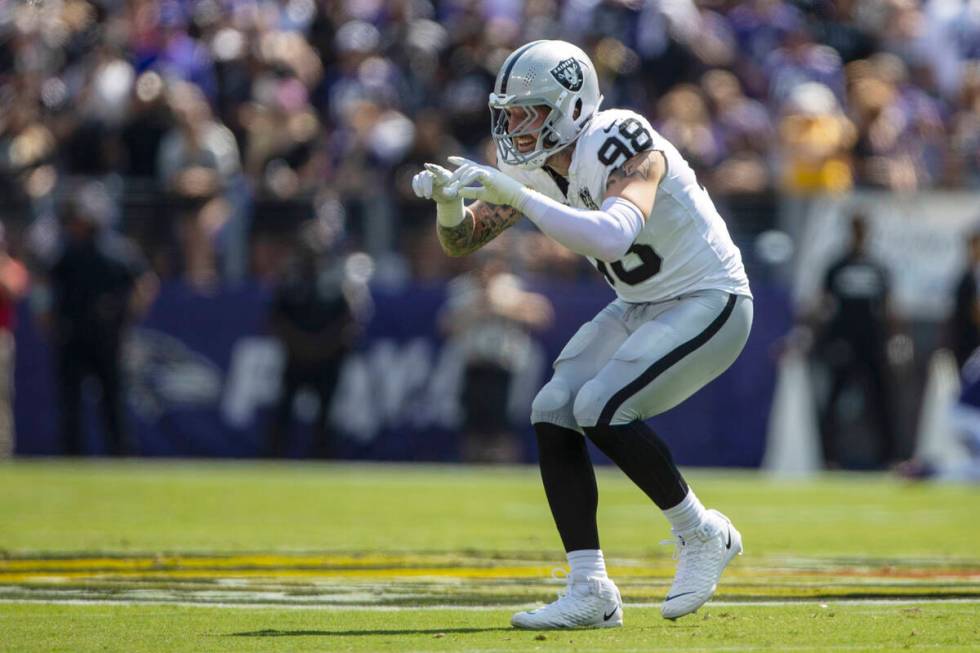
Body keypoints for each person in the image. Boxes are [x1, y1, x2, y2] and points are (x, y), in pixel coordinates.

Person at [412, 40, 753, 629]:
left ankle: (702, 534)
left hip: (710, 299)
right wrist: (448, 206)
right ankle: (590, 587)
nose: (513, 125)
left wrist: (515, 193)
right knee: (553, 408)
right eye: (508, 112)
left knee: (600, 405)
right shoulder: (531, 164)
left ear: (570, 108)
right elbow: (461, 241)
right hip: (641, 304)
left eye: (527, 111)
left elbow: (614, 235)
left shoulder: (622, 138)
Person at [42, 183, 158, 456]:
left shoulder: (116, 250)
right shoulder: (66, 252)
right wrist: (48, 320)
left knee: (113, 401)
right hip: (73, 333)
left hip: (107, 335)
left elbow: (145, 283)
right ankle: (72, 455)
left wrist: (127, 316)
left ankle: (119, 455)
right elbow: (46, 285)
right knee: (71, 401)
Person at [812, 213, 897, 468]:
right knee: (834, 400)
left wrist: (894, 340)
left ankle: (888, 457)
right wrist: (817, 336)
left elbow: (889, 307)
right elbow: (823, 304)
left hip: (872, 341)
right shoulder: (837, 266)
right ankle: (829, 457)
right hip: (843, 342)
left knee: (880, 401)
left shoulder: (878, 266)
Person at [267, 221, 357, 458]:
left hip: (328, 358)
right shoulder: (291, 279)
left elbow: (349, 319)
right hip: (296, 357)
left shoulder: (338, 278)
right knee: (284, 411)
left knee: (326, 416)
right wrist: (302, 345)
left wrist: (323, 345)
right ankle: (273, 458)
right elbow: (277, 319)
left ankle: (323, 459)